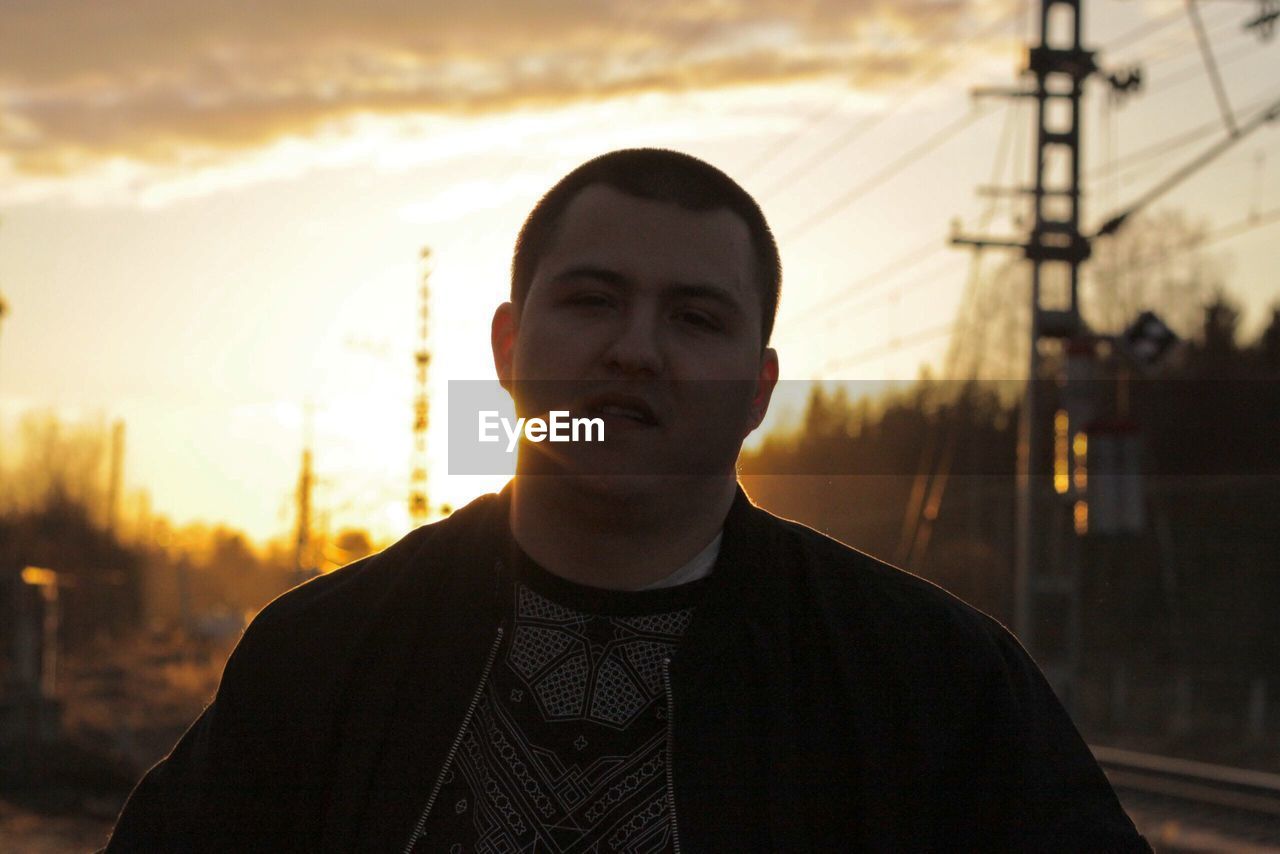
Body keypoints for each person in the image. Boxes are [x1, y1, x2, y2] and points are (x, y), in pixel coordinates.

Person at [105, 148, 1150, 852]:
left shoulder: (934, 680)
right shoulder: (323, 652)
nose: (635, 350)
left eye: (694, 317)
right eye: (592, 299)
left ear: (755, 391)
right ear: (509, 349)